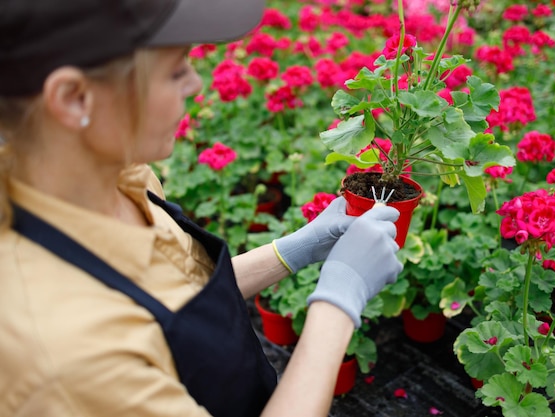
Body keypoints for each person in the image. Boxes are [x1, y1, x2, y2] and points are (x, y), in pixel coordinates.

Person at [0, 1, 403, 416]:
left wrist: (295, 249)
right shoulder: (64, 352)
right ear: (74, 97)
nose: (195, 84)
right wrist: (338, 303)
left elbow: (180, 303)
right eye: (175, 70)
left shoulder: (123, 178)